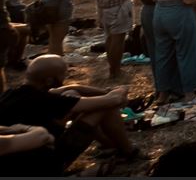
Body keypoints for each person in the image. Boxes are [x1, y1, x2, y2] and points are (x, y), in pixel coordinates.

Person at [0, 55, 139, 172]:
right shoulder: (48, 101)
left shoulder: (10, 94)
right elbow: (114, 100)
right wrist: (122, 89)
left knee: (72, 93)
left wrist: (104, 92)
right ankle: (128, 151)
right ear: (49, 80)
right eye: (63, 74)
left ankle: (110, 146)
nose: (65, 77)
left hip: (14, 159)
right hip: (45, 163)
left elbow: (71, 88)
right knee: (105, 106)